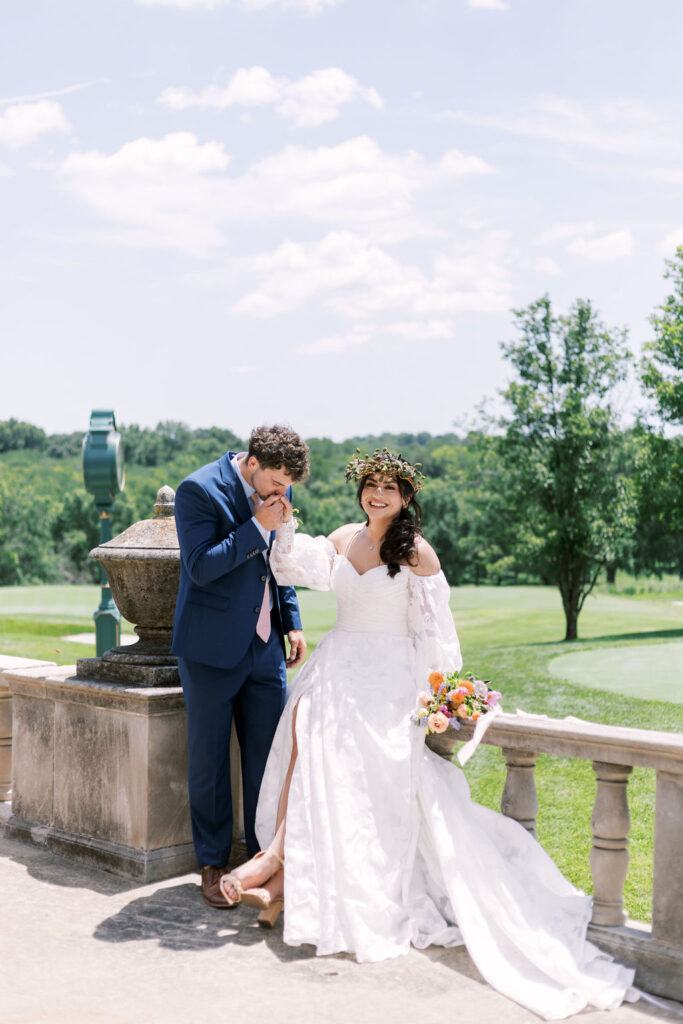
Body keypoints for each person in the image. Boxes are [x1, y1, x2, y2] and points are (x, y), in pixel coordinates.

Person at [219, 448, 637, 1020]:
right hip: (338, 666)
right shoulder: (344, 537)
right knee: (312, 740)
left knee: (364, 776)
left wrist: (439, 700)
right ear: (361, 491)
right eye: (371, 486)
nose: (378, 495)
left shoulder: (415, 552)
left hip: (386, 680)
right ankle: (283, 867)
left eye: (390, 488)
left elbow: (437, 634)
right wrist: (280, 519)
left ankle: (273, 866)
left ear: (407, 497)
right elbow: (292, 565)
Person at [171, 424, 310, 909]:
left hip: (266, 649)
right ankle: (211, 865)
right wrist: (256, 528)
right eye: (274, 483)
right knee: (208, 759)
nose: (280, 493)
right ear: (253, 463)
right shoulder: (198, 490)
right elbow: (200, 567)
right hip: (209, 648)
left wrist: (291, 621)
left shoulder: (278, 484)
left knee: (266, 759)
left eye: (286, 486)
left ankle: (260, 859)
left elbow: (278, 560)